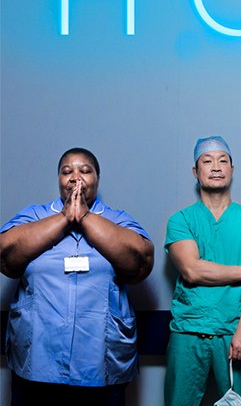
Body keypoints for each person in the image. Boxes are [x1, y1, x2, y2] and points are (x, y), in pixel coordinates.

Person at [0, 148, 154, 405]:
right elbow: (6, 257)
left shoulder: (117, 220)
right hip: (39, 360)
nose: (75, 177)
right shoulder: (34, 216)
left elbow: (140, 262)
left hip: (100, 361)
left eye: (85, 171)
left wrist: (85, 217)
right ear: (59, 179)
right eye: (67, 171)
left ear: (97, 179)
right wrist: (63, 217)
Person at [163, 136, 241, 406]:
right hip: (188, 332)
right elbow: (192, 270)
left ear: (231, 170)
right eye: (207, 161)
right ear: (195, 171)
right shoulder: (181, 221)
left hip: (235, 332)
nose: (215, 167)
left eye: (222, 161)